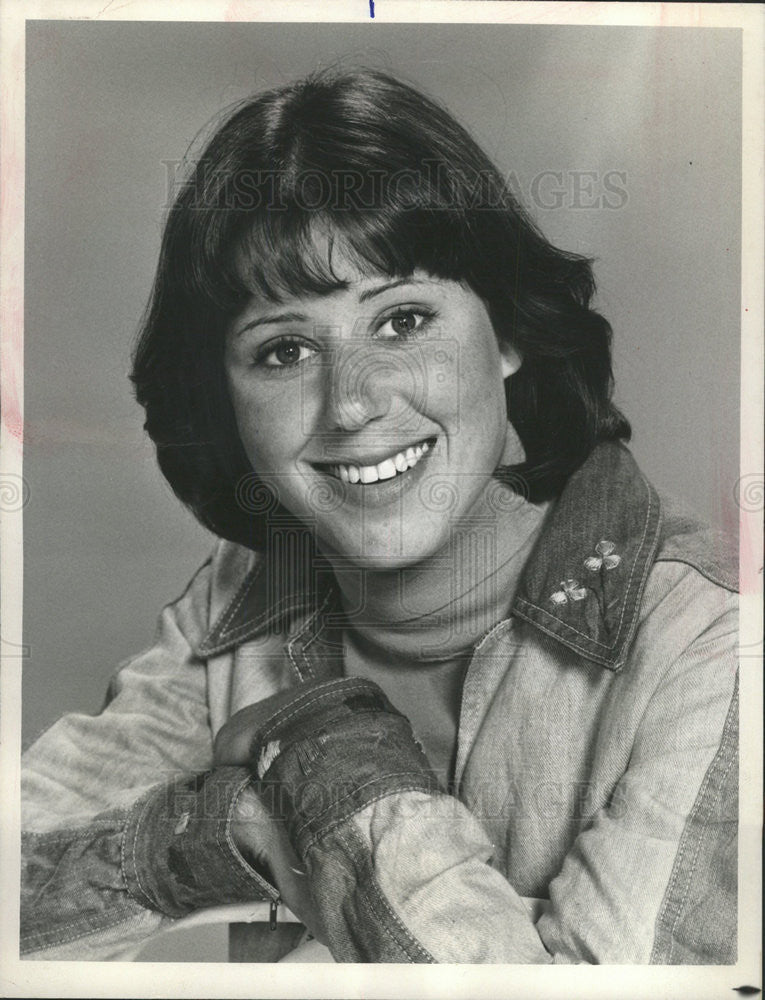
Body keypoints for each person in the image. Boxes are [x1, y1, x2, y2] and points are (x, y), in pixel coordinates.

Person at [20, 69, 738, 964]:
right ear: (226, 402)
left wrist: (323, 763)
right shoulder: (245, 593)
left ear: (509, 332)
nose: (351, 406)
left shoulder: (712, 645)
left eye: (402, 322)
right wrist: (237, 823)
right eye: (283, 350)